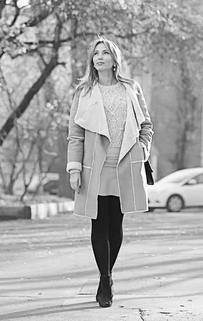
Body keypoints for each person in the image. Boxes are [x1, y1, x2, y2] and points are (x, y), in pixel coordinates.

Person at [66, 36, 153, 308]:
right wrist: (74, 168)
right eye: (95, 54)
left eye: (105, 53)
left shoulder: (131, 89)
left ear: (115, 59)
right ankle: (105, 280)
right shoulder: (84, 92)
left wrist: (142, 149)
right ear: (91, 60)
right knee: (98, 222)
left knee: (116, 224)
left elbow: (146, 125)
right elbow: (75, 135)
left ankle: (108, 274)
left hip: (125, 163)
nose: (99, 57)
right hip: (96, 166)